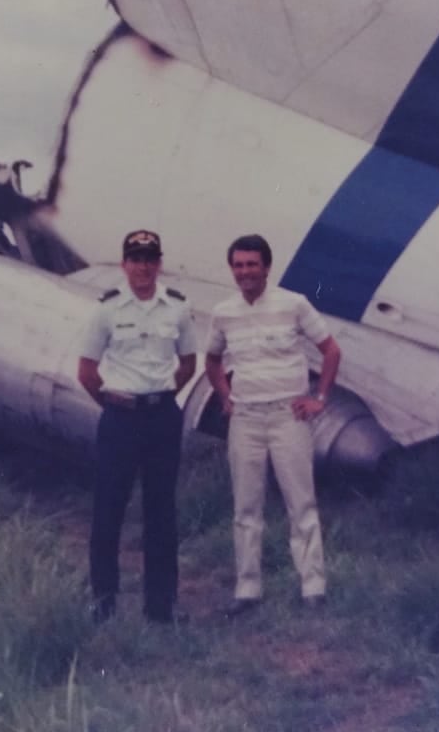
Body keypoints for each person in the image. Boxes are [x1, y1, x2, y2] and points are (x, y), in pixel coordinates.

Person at [205, 233, 341, 614]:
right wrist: (224, 395)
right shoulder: (224, 312)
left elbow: (331, 350)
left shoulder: (294, 304)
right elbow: (212, 360)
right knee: (246, 507)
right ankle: (247, 589)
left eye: (252, 264)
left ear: (266, 267)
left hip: (288, 416)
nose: (245, 272)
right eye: (238, 265)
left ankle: (313, 587)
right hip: (245, 419)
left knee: (301, 503)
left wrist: (319, 398)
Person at [77, 229, 198, 624]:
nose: (143, 267)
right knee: (108, 509)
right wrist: (118, 404)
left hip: (162, 417)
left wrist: (159, 397)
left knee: (161, 512)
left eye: (149, 259)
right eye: (135, 259)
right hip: (120, 420)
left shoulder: (177, 307)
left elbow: (188, 364)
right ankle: (103, 604)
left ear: (159, 264)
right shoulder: (106, 309)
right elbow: (87, 371)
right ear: (124, 264)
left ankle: (161, 607)